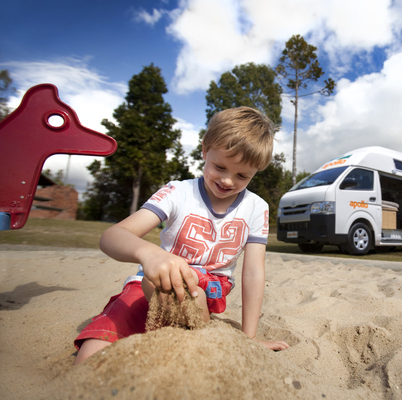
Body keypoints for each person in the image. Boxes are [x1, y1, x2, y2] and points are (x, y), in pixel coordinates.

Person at [74, 107, 290, 365]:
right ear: (204, 150)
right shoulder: (178, 192)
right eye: (219, 166)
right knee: (89, 356)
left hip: (207, 290)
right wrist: (150, 254)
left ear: (257, 171)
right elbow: (112, 236)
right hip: (150, 280)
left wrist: (249, 337)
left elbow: (253, 272)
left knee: (194, 296)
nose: (228, 180)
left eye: (242, 175)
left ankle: (189, 332)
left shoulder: (257, 207)